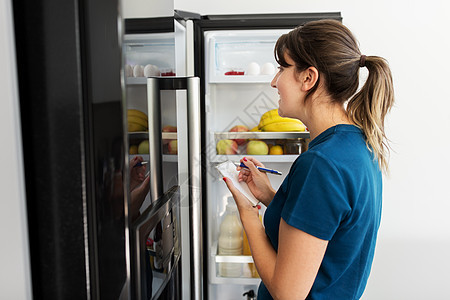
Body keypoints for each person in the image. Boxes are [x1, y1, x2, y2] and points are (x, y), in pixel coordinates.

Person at [223, 19, 394, 300]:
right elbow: (326, 225)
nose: (274, 81)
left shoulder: (322, 163)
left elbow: (288, 293)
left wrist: (249, 215)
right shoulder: (357, 144)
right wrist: (269, 196)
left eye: (282, 68)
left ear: (308, 78)